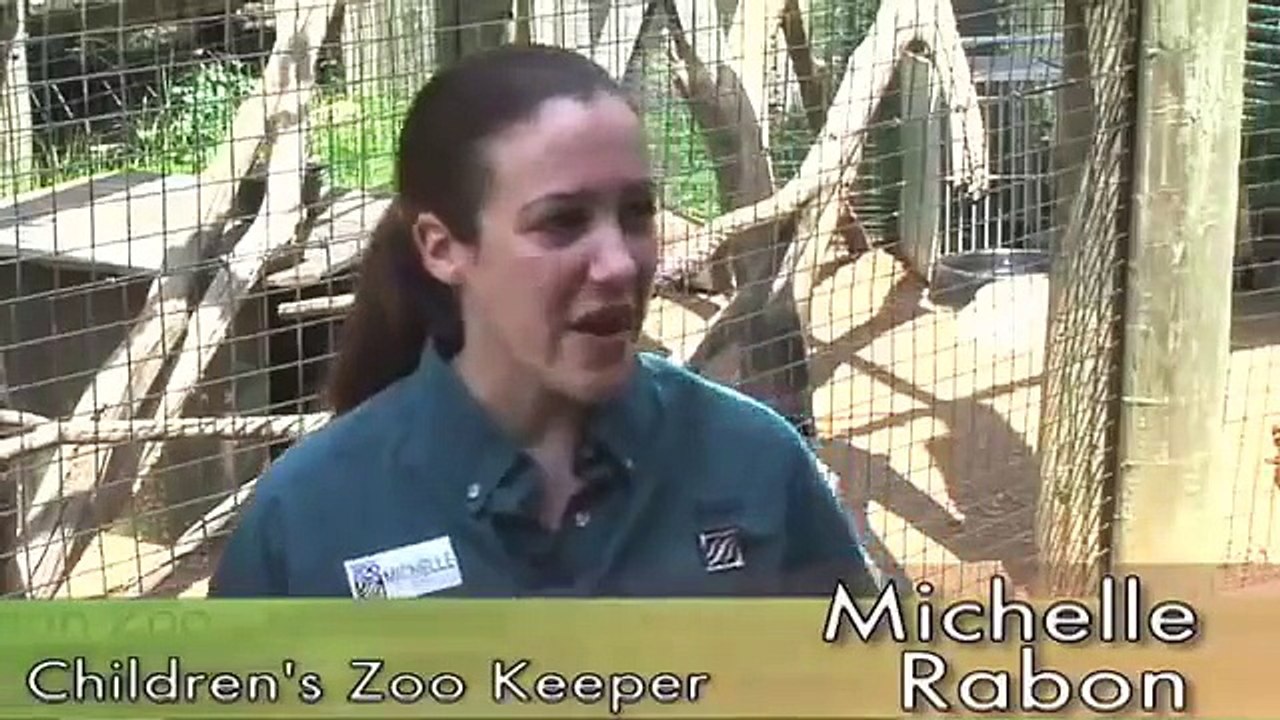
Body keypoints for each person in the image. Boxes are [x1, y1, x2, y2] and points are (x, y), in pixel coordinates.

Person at [208, 44, 880, 599]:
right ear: (443, 248)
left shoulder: (753, 461)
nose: (619, 263)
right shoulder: (308, 520)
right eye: (562, 222)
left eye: (638, 213)